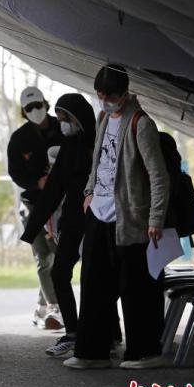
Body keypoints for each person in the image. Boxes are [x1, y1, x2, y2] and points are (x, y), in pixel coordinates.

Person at [63, 64, 170, 370]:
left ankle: (144, 352)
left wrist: (155, 219)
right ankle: (91, 352)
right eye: (100, 95)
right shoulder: (102, 118)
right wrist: (89, 192)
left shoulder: (141, 123)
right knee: (94, 285)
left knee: (135, 289)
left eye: (110, 96)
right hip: (98, 213)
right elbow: (97, 162)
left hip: (130, 218)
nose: (105, 100)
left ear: (124, 93)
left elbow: (159, 176)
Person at [22, 93, 116, 357]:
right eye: (60, 118)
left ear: (78, 118)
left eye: (65, 118)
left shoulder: (98, 146)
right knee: (59, 273)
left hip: (99, 221)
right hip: (73, 222)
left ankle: (109, 334)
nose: (61, 123)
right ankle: (73, 333)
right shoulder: (68, 148)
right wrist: (32, 229)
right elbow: (54, 190)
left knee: (98, 278)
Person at [7, 86, 64, 329]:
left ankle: (42, 305)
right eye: (29, 108)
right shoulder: (19, 139)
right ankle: (54, 307)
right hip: (33, 205)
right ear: (23, 111)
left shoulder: (62, 129)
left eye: (38, 105)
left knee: (59, 256)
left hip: (62, 205)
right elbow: (15, 172)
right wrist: (36, 183)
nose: (35, 110)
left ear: (45, 104)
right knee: (43, 256)